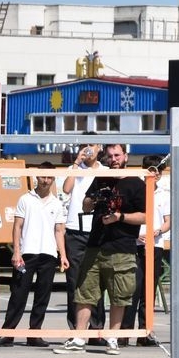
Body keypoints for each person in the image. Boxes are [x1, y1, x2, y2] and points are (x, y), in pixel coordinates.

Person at [53, 143, 145, 356]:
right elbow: (85, 205)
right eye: (110, 156)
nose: (114, 159)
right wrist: (93, 199)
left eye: (117, 155)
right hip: (95, 244)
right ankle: (79, 338)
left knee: (119, 294)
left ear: (125, 156)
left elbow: (145, 216)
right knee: (85, 292)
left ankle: (112, 338)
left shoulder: (136, 183)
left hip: (122, 247)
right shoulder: (101, 178)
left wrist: (120, 217)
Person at [0, 162, 68, 347]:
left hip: (48, 254)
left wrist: (62, 255)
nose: (46, 181)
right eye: (43, 177)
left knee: (42, 295)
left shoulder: (57, 203)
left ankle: (34, 333)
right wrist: (17, 251)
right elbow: (17, 226)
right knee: (18, 293)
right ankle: (7, 333)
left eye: (49, 177)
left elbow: (59, 230)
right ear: (36, 177)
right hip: (27, 253)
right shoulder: (26, 199)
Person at [122, 154, 171, 347]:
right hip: (135, 243)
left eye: (158, 171)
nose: (154, 174)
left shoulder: (164, 194)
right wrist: (137, 235)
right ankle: (125, 332)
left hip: (155, 245)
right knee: (131, 288)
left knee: (149, 290)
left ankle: (145, 331)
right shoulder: (136, 190)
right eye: (151, 170)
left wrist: (158, 231)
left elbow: (167, 221)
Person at [61, 136, 106, 332]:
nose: (88, 149)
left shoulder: (105, 171)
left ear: (99, 147)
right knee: (74, 281)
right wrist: (76, 163)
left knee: (97, 281)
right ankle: (75, 329)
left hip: (97, 229)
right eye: (84, 146)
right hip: (75, 230)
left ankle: (97, 327)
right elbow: (66, 189)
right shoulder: (75, 169)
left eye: (91, 145)